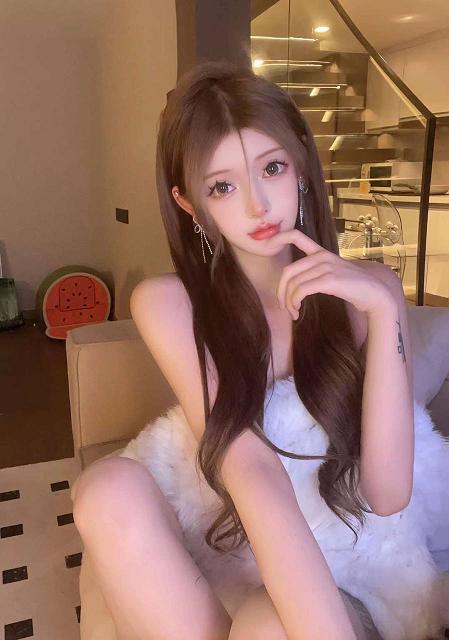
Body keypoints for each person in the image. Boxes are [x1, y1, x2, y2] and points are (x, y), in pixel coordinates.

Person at [72, 60, 449, 640]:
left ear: (299, 164)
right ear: (189, 204)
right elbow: (250, 469)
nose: (257, 205)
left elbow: (388, 493)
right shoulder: (170, 303)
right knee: (103, 489)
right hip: (243, 534)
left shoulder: (367, 292)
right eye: (222, 186)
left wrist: (383, 309)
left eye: (271, 168)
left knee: (266, 627)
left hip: (357, 551)